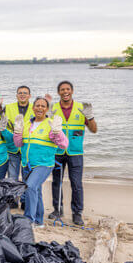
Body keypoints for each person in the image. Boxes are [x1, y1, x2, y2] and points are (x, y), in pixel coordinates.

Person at [12, 97, 68, 227]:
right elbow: (18, 143)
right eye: (37, 105)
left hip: (43, 164)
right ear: (33, 107)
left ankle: (28, 220)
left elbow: (64, 145)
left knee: (30, 187)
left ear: (47, 109)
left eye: (43, 106)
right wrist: (17, 132)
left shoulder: (50, 124)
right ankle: (39, 221)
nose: (40, 108)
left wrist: (57, 133)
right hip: (27, 164)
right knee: (36, 190)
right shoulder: (26, 124)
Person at [48, 81, 97, 226]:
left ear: (72, 91)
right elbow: (45, 129)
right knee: (57, 182)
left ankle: (77, 213)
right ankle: (58, 210)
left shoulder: (81, 108)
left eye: (67, 89)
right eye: (62, 90)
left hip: (75, 152)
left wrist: (90, 117)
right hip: (57, 151)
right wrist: (47, 117)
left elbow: (94, 130)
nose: (65, 92)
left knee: (76, 184)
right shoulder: (53, 108)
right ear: (58, 93)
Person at [4, 86, 34, 185]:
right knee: (12, 179)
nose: (22, 95)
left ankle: (25, 200)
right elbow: (3, 124)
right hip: (12, 148)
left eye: (25, 93)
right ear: (16, 95)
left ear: (29, 96)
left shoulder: (35, 108)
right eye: (20, 93)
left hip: (28, 149)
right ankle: (12, 200)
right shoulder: (8, 107)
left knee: (28, 178)